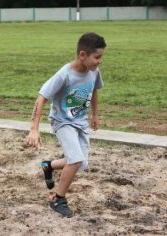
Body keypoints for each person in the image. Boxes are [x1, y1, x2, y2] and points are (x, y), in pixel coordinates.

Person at [27, 32, 106, 218]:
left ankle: (49, 166)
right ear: (83, 55)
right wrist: (34, 128)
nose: (100, 61)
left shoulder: (94, 72)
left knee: (80, 164)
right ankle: (57, 198)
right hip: (62, 122)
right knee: (76, 159)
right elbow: (41, 97)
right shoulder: (65, 74)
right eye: (97, 57)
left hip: (80, 122)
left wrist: (94, 114)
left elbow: (94, 90)